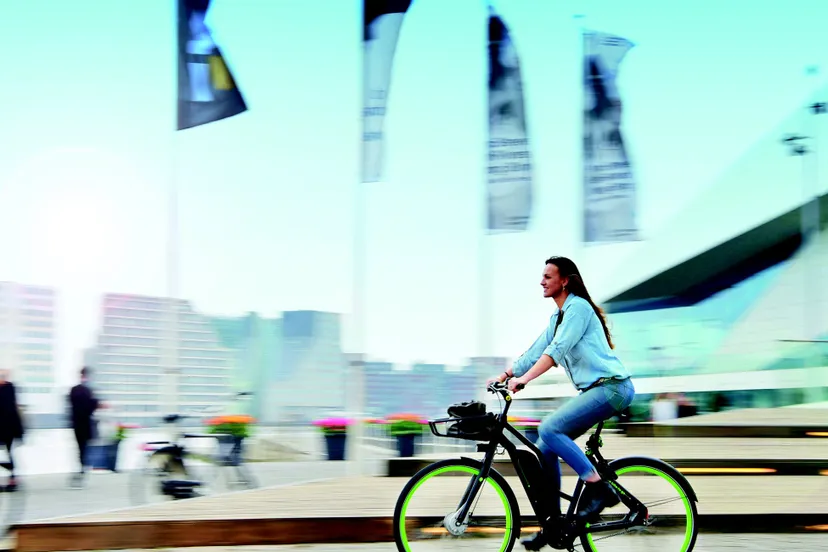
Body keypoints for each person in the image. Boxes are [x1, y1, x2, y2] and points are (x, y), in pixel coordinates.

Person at [488, 256, 635, 550]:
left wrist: (523, 380)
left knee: (550, 428)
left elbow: (557, 350)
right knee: (544, 449)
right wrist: (506, 374)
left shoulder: (578, 308)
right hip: (594, 391)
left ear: (564, 280)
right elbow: (535, 351)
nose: (542, 281)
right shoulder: (557, 317)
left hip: (612, 388)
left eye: (548, 276)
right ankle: (553, 525)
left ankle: (598, 487)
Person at [68, 366, 100, 488]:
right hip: (85, 424)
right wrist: (96, 403)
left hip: (77, 424)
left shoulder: (74, 390)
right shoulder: (87, 391)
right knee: (84, 448)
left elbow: (73, 406)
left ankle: (82, 468)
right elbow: (90, 406)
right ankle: (83, 468)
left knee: (80, 448)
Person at [0, 369, 24, 491]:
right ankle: (13, 476)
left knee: (9, 453)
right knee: (9, 454)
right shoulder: (9, 389)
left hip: (7, 428)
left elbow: (9, 410)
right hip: (6, 428)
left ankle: (13, 478)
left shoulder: (8, 389)